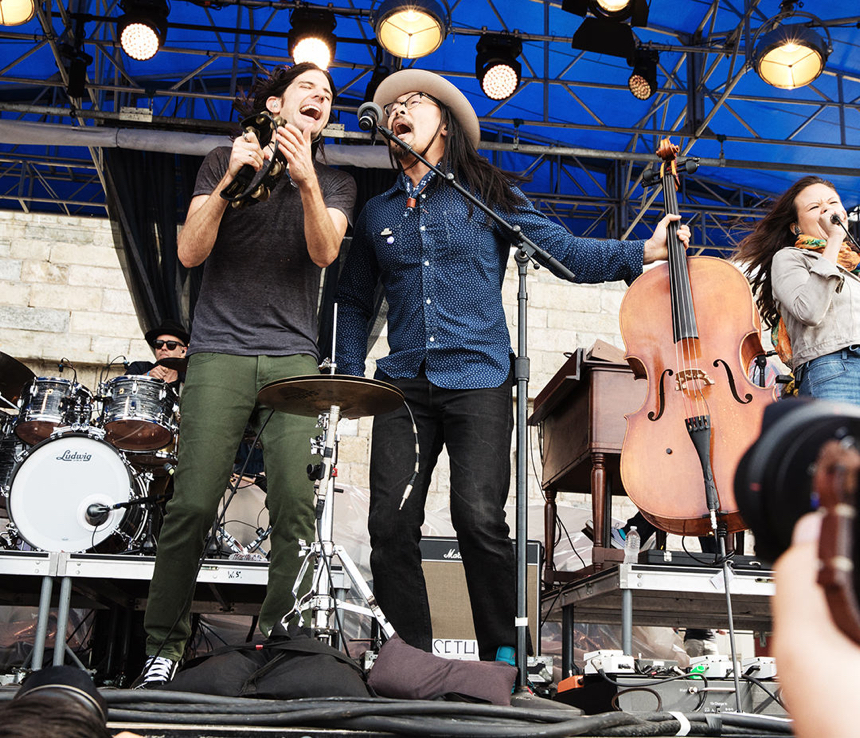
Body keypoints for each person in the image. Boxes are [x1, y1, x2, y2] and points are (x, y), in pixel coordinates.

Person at [335, 69, 689, 668]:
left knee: (478, 517)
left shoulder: (485, 192)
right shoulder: (375, 214)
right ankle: (410, 658)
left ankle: (505, 653)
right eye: (392, 105)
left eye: (414, 102)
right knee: (389, 525)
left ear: (442, 125)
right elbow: (355, 299)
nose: (399, 109)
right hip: (403, 382)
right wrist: (344, 375)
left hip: (481, 375)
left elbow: (562, 251)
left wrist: (643, 252)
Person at [134, 62, 356, 688]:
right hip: (219, 350)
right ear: (275, 103)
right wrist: (234, 175)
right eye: (308, 88)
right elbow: (187, 252)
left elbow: (324, 252)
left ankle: (274, 644)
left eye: (328, 94)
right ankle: (163, 646)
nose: (322, 95)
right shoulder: (219, 163)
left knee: (293, 504)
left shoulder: (336, 182)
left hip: (292, 356)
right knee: (193, 503)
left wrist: (308, 180)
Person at [737, 176, 860, 404]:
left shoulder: (855, 266)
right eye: (814, 207)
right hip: (835, 367)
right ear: (796, 226)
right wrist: (833, 240)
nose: (826, 209)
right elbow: (810, 311)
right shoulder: (789, 258)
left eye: (833, 203)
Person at [125, 319, 190, 391]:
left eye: (171, 345)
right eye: (159, 344)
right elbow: (122, 391)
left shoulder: (190, 380)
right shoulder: (139, 368)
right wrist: (147, 377)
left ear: (183, 351)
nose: (163, 348)